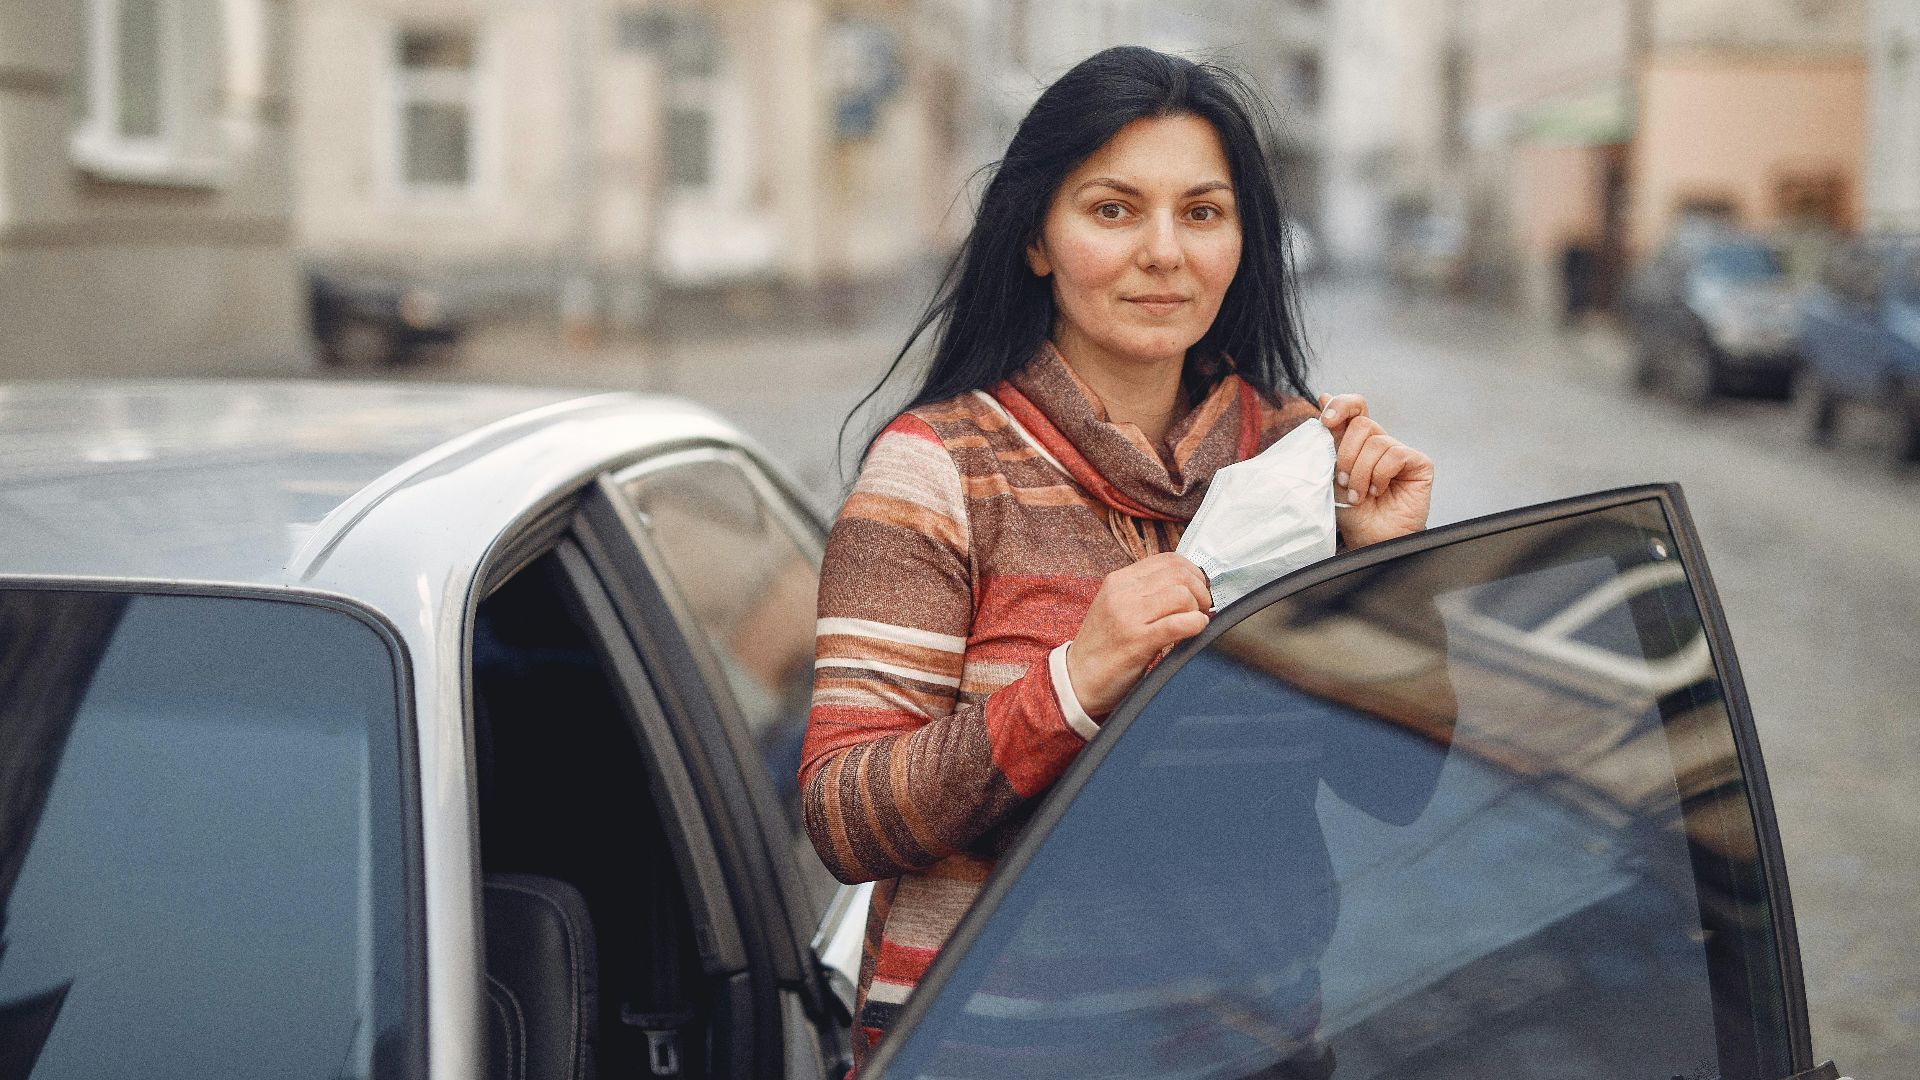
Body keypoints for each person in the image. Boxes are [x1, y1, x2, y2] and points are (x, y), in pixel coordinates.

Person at [798, 45, 1434, 1066]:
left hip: (1256, 1049)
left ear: (1244, 240)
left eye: (1202, 212)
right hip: (990, 1054)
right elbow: (844, 816)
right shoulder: (940, 474)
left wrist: (1383, 577)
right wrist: (1070, 684)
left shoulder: (1295, 462)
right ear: (1038, 239)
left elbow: (1397, 786)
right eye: (1111, 209)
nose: (1165, 253)